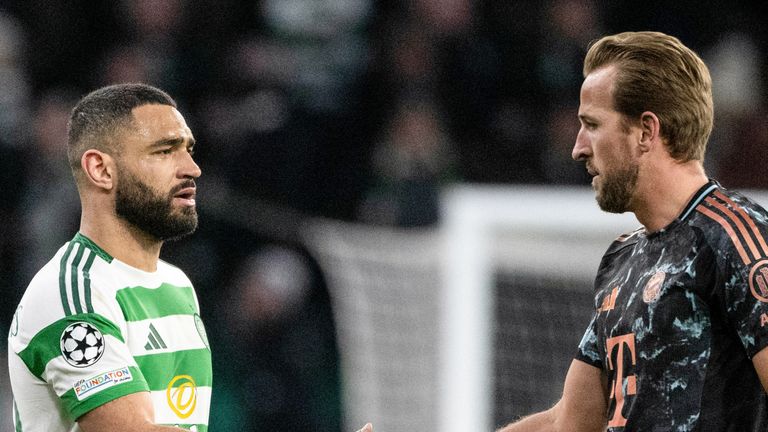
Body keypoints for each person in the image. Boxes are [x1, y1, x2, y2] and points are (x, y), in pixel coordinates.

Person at [495, 31, 768, 431]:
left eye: (592, 124)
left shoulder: (735, 238)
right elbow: (566, 423)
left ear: (646, 131)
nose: (578, 147)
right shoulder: (623, 259)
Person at [8, 83, 211, 431]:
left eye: (188, 150)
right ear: (101, 170)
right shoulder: (73, 294)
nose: (192, 168)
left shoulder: (177, 285)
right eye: (164, 151)